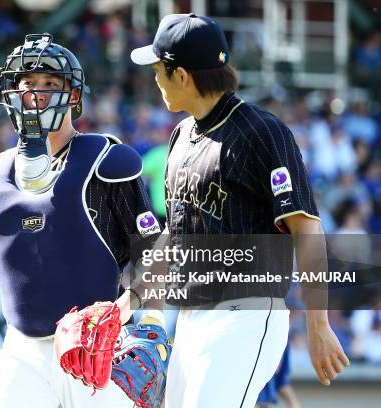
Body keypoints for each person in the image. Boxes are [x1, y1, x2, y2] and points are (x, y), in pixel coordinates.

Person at [131, 13, 349, 408]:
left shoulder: (262, 132)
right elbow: (175, 236)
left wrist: (318, 324)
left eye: (159, 70)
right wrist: (130, 300)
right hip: (192, 316)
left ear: (181, 76)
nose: (155, 79)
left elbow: (306, 229)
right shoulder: (181, 136)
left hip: (245, 315)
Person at [0, 33, 162, 408]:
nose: (37, 94)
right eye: (28, 84)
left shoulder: (105, 160)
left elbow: (154, 253)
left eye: (50, 84)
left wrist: (145, 319)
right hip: (21, 346)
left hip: (96, 343)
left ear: (74, 95)